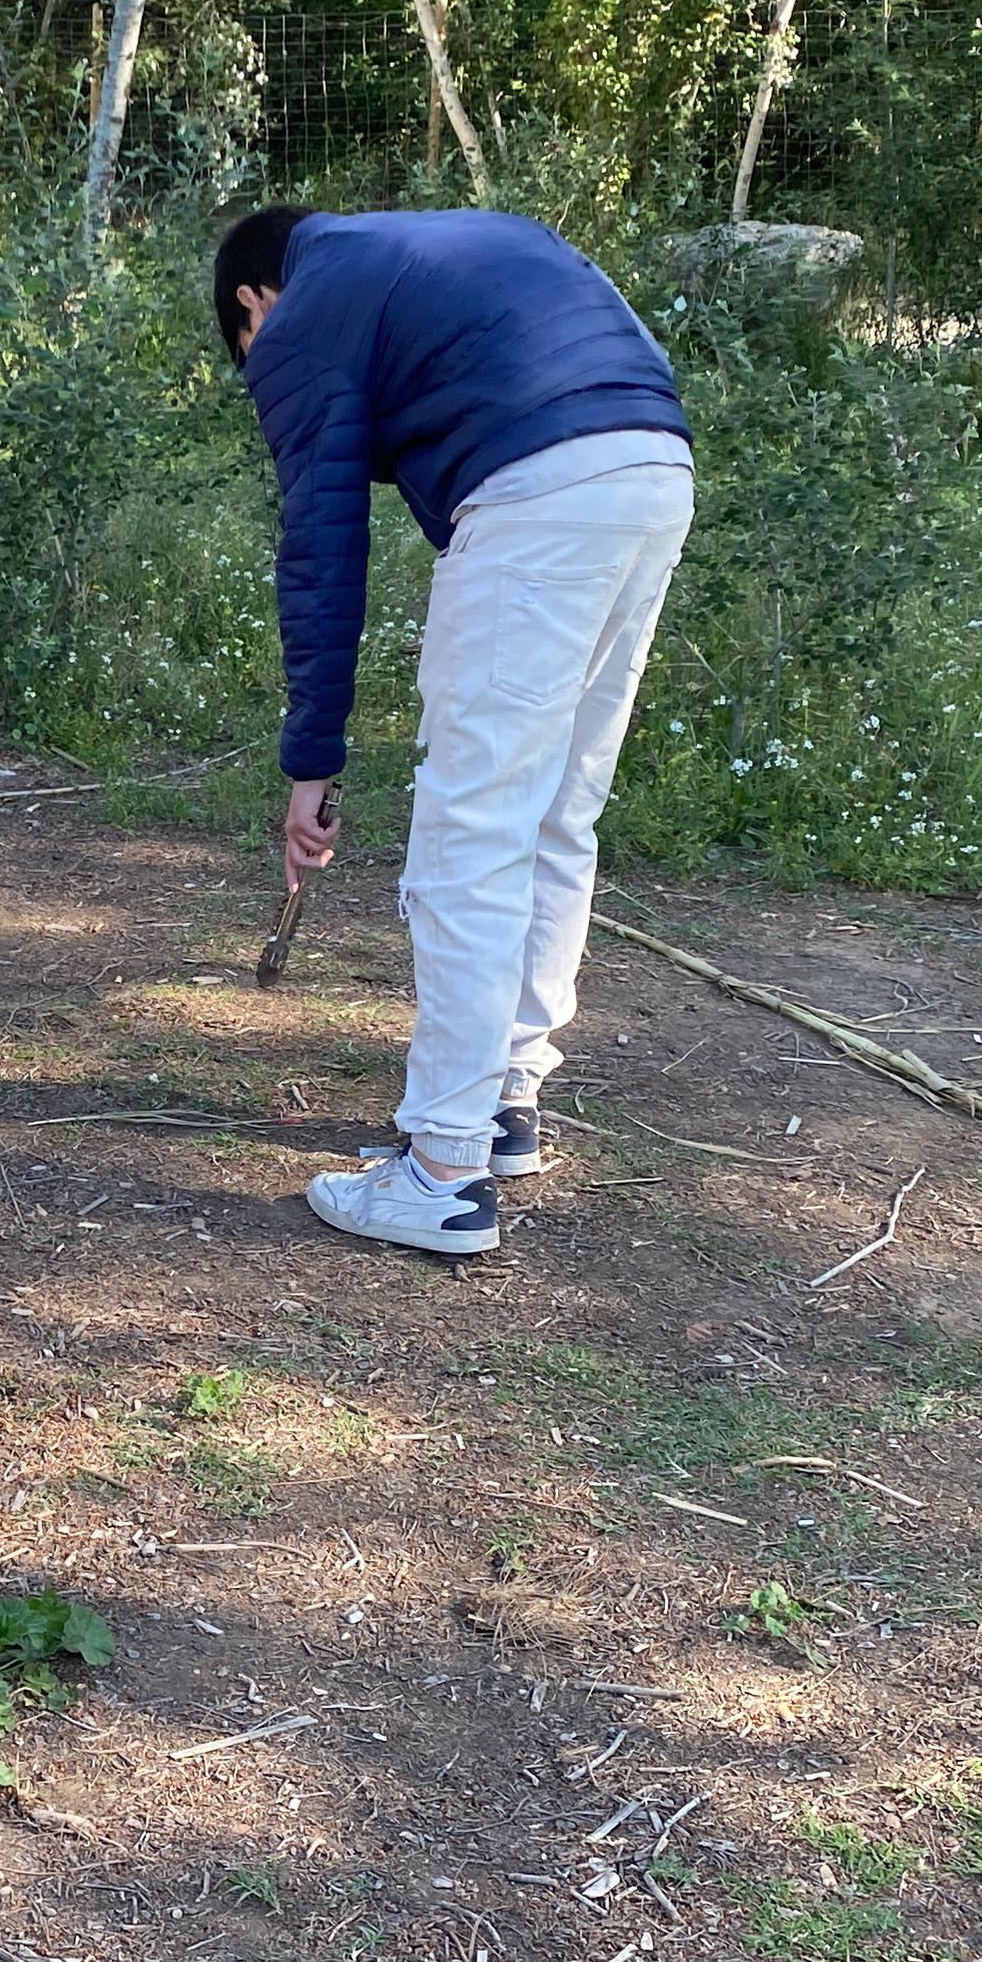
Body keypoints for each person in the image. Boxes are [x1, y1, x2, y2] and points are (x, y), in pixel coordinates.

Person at [217, 204, 694, 1256]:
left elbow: (323, 550)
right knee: (559, 809)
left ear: (255, 301)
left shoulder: (301, 313)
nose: (261, 376)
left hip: (536, 493)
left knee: (470, 834)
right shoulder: (429, 247)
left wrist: (313, 761)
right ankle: (508, 1102)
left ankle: (441, 1170)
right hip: (654, 465)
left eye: (246, 352)